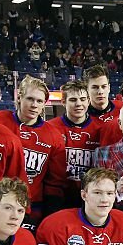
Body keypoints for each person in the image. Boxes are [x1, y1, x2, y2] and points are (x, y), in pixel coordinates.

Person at [0, 75, 66, 229]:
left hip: (32, 206)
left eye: (39, 101)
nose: (34, 105)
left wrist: (50, 211)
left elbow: (55, 181)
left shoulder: (53, 135)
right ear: (19, 97)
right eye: (30, 99)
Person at [45, 79, 103, 208]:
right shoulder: (50, 128)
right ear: (63, 101)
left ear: (89, 101)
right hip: (56, 196)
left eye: (82, 99)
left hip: (89, 195)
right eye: (73, 100)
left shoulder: (100, 129)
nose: (78, 104)